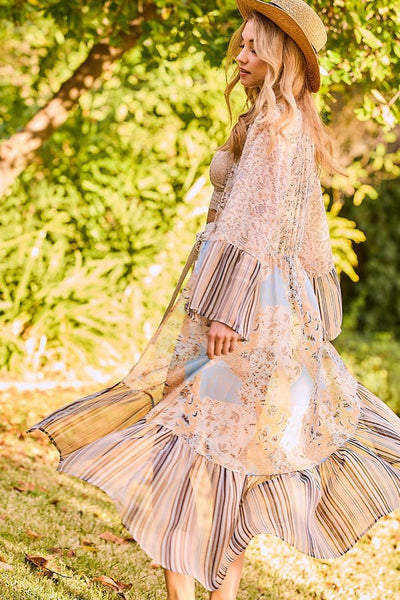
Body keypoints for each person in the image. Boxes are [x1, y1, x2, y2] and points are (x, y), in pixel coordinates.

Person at [27, 1, 400, 599]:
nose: (240, 56)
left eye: (253, 46)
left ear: (279, 55)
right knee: (225, 455)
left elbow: (258, 227)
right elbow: (294, 231)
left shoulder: (277, 127)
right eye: (241, 44)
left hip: (244, 309)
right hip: (260, 306)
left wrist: (228, 310)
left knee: (198, 448)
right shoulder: (277, 122)